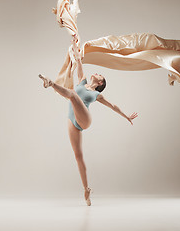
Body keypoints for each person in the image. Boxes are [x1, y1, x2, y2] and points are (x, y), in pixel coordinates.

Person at [38, 34, 138, 206]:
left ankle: (50, 83)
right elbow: (78, 61)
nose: (97, 73)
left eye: (100, 76)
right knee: (78, 156)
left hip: (85, 120)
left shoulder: (96, 94)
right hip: (73, 121)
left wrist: (126, 116)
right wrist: (75, 46)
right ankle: (86, 189)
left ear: (99, 83)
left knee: (72, 95)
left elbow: (112, 105)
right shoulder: (83, 81)